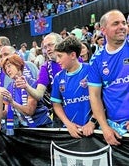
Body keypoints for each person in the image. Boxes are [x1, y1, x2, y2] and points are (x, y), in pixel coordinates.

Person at [88, 9, 129, 146]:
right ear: (103, 30)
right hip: (115, 128)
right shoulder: (96, 60)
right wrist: (105, 127)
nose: (122, 26)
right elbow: (94, 96)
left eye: (124, 23)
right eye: (116, 23)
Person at [15, 32, 64, 127]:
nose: (48, 49)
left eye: (50, 45)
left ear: (61, 43)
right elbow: (39, 95)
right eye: (45, 47)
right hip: (60, 115)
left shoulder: (76, 60)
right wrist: (27, 87)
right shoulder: (45, 67)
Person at [50, 36, 95, 138]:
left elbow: (101, 98)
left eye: (60, 56)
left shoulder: (91, 70)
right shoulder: (58, 78)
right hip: (71, 130)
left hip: (94, 129)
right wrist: (68, 124)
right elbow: (56, 104)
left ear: (73, 55)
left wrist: (92, 121)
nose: (57, 60)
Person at [0, 55, 52, 135]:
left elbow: (29, 111)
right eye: (6, 69)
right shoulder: (10, 87)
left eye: (9, 66)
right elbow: (6, 112)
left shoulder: (31, 83)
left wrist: (12, 102)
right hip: (25, 127)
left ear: (18, 65)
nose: (8, 70)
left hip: (41, 127)